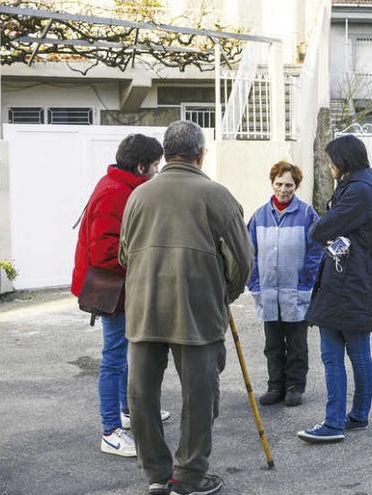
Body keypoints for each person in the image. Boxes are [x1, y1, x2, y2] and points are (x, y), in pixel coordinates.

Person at [120, 121, 252, 495]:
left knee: (142, 394)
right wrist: (224, 292)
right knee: (199, 395)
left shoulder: (138, 196)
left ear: (165, 153)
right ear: (200, 154)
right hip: (197, 310)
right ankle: (188, 477)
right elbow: (243, 262)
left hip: (144, 307)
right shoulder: (216, 195)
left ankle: (158, 475)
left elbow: (124, 254)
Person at [71, 134, 171, 458]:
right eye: (155, 165)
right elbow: (104, 253)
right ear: (141, 166)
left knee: (124, 350)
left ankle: (127, 414)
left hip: (120, 288)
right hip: (113, 291)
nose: (157, 171)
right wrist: (147, 255)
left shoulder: (120, 186)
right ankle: (110, 430)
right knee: (114, 357)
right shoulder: (116, 193)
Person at [297, 135, 372, 443]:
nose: (328, 165)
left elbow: (321, 229)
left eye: (331, 160)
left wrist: (323, 232)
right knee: (357, 351)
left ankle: (334, 423)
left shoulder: (358, 190)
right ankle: (357, 415)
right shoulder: (363, 184)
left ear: (343, 162)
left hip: (348, 281)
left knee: (334, 354)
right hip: (354, 279)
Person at [246, 161, 323, 407]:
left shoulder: (307, 214)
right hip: (268, 292)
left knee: (297, 344)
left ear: (296, 186)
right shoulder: (259, 215)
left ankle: (294, 387)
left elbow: (316, 251)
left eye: (289, 185)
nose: (283, 189)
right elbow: (250, 252)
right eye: (279, 184)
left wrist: (306, 282)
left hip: (296, 291)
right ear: (272, 183)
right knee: (273, 344)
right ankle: (275, 385)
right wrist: (254, 284)